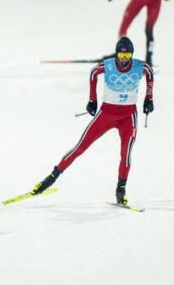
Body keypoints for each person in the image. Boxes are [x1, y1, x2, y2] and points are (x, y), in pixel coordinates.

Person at [31, 37, 154, 205]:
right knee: (80, 147)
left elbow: (150, 73)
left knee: (126, 155)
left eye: (127, 56)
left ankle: (121, 190)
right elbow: (93, 73)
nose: (124, 60)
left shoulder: (140, 66)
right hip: (107, 114)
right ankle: (51, 178)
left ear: (132, 55)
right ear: (116, 54)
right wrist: (92, 100)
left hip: (128, 116)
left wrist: (149, 98)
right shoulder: (108, 65)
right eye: (121, 55)